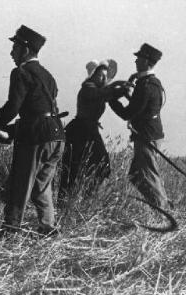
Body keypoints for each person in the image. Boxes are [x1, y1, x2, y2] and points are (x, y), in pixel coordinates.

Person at [0, 25, 65, 237]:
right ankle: (48, 228)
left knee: (20, 184)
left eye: (15, 47)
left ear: (25, 50)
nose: (11, 52)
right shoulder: (48, 75)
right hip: (57, 136)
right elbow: (39, 109)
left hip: (36, 137)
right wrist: (10, 130)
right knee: (41, 187)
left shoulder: (20, 72)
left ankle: (10, 231)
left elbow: (13, 109)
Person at [108, 43, 170, 209]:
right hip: (150, 134)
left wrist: (111, 98)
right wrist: (129, 93)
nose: (136, 60)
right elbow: (142, 107)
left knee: (148, 175)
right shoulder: (151, 82)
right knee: (136, 175)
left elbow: (128, 114)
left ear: (146, 61)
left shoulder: (146, 85)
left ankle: (163, 210)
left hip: (146, 136)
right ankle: (160, 206)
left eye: (139, 58)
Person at [59, 59, 120, 199]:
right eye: (100, 75)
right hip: (80, 130)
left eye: (105, 76)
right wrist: (118, 86)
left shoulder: (98, 89)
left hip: (89, 130)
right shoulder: (88, 87)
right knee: (73, 168)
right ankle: (69, 201)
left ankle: (86, 197)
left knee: (100, 165)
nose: (103, 78)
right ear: (93, 75)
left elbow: (107, 94)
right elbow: (102, 94)